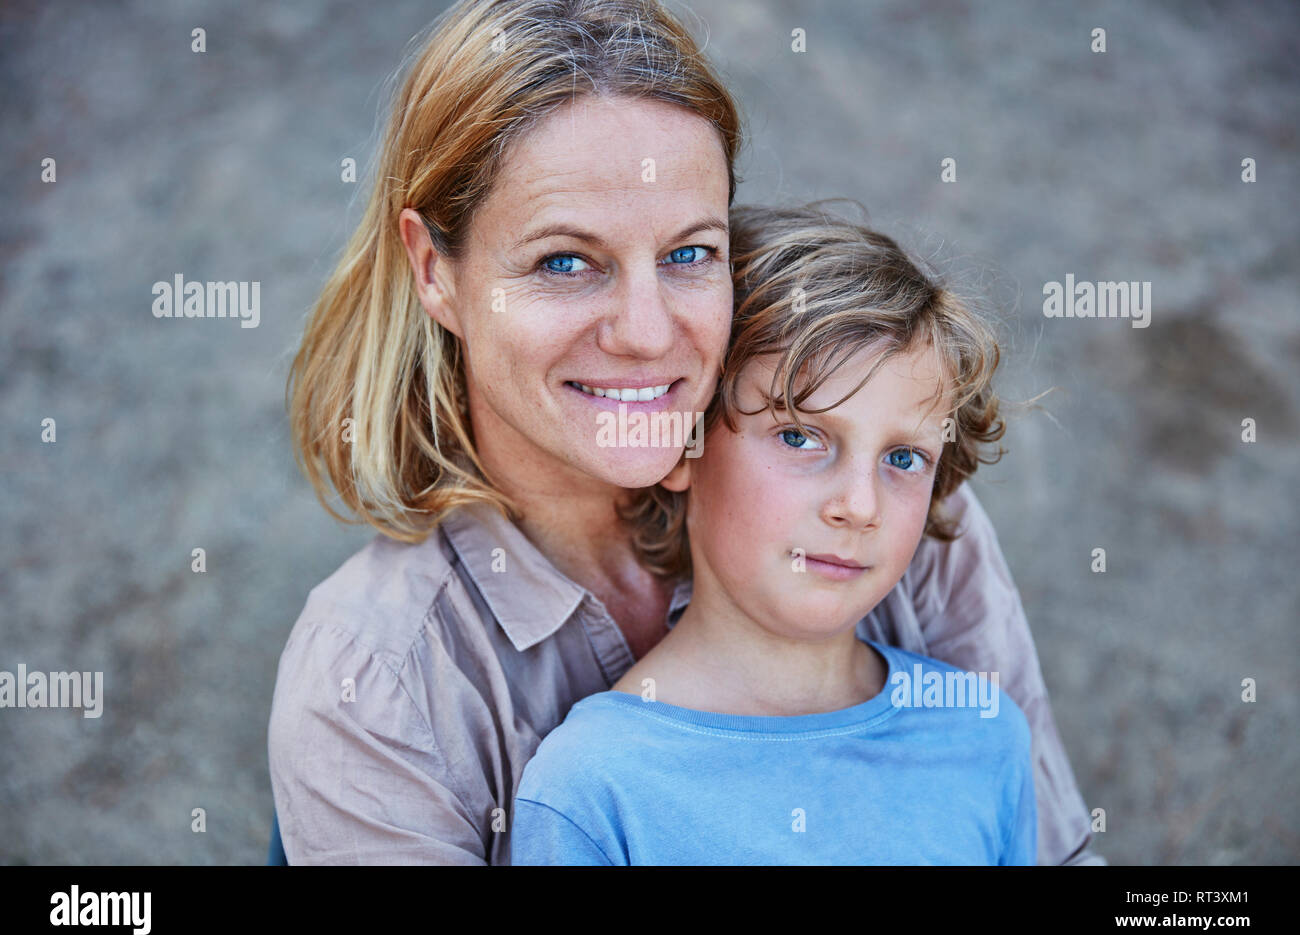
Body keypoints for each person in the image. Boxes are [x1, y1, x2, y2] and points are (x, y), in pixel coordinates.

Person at [268, 0, 1100, 865]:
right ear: (435, 270)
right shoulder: (374, 679)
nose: (646, 331)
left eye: (688, 254)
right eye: (564, 261)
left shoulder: (911, 517)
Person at [510, 204, 1036, 864]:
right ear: (681, 443)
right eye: (799, 436)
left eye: (903, 458)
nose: (859, 504)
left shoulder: (983, 739)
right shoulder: (593, 787)